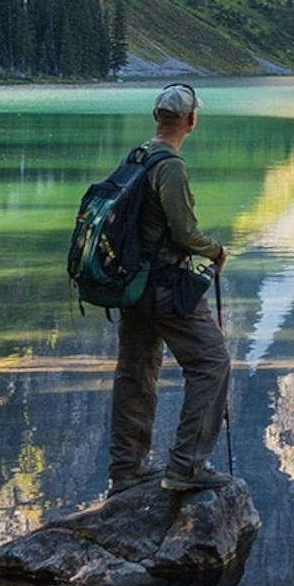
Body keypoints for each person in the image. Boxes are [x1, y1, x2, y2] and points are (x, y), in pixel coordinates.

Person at [109, 83, 234, 493]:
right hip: (165, 286)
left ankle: (127, 467)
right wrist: (215, 250)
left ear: (156, 116)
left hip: (132, 287)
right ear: (191, 120)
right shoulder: (171, 167)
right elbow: (185, 233)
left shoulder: (137, 156)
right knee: (211, 362)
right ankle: (186, 467)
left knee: (136, 371)